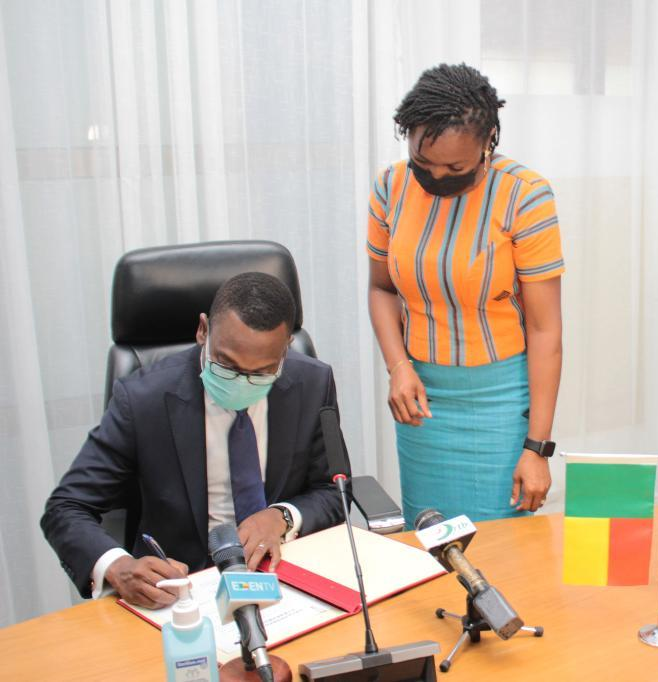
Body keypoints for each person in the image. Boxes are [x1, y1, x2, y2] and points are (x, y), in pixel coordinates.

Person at [41, 272, 344, 607]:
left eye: (261, 373)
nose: (242, 382)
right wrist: (118, 566)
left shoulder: (313, 382)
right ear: (203, 330)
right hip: (184, 586)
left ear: (285, 350)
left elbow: (334, 491)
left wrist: (282, 517)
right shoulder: (143, 399)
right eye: (227, 364)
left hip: (283, 574)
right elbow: (66, 508)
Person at [366, 63, 564, 528]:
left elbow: (545, 330)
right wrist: (398, 367)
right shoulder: (391, 186)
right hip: (421, 403)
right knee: (430, 537)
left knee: (502, 545)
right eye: (423, 164)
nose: (437, 176)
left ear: (488, 142)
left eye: (455, 168)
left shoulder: (525, 196)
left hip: (499, 401)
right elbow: (381, 288)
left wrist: (537, 448)